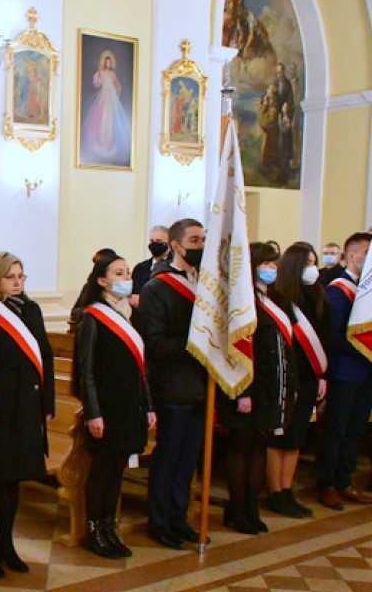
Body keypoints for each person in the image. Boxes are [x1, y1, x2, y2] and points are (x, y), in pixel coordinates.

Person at [0, 252, 54, 577]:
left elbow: (45, 357)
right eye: (10, 276)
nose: (17, 282)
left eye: (21, 276)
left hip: (24, 410)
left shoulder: (31, 310)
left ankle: (5, 543)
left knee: (11, 483)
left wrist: (47, 406)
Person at [74, 253, 155, 558]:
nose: (125, 278)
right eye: (118, 273)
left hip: (130, 406)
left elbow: (141, 367)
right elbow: (87, 371)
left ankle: (110, 527)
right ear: (102, 280)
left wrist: (148, 405)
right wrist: (94, 413)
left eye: (127, 273)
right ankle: (94, 530)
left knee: (118, 469)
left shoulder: (131, 315)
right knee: (102, 470)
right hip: (106, 408)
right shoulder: (92, 316)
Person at [134, 218, 208, 549]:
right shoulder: (157, 288)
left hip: (201, 388)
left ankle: (180, 518)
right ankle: (160, 521)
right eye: (194, 240)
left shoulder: (206, 287)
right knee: (168, 458)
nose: (201, 246)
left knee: (188, 459)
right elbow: (155, 344)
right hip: (172, 388)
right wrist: (196, 342)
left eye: (204, 240)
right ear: (176, 246)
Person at [220, 243, 296, 534]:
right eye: (265, 263)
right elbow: (237, 348)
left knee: (259, 448)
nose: (271, 269)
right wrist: (243, 392)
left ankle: (251, 507)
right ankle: (237, 508)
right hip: (245, 388)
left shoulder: (273, 298)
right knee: (241, 448)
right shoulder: (241, 301)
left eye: (274, 264)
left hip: (268, 388)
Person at [268, 243, 328, 518]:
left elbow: (323, 337)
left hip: (309, 376)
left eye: (314, 262)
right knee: (281, 437)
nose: (312, 269)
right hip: (286, 377)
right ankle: (275, 492)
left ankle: (287, 489)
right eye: (307, 263)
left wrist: (322, 375)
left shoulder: (316, 295)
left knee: (297, 437)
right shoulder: (280, 297)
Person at [317, 231, 372, 509]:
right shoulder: (339, 289)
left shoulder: (367, 289)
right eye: (367, 254)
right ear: (352, 256)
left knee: (355, 429)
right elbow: (333, 335)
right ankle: (327, 484)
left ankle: (344, 481)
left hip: (365, 372)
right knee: (337, 429)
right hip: (345, 370)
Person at [82, 50, 132, 164]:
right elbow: (97, 83)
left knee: (110, 121)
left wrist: (115, 87)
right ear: (104, 63)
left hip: (111, 98)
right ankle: (101, 141)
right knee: (102, 120)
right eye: (107, 62)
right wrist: (99, 75)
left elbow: (118, 86)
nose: (108, 64)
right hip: (103, 97)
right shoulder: (102, 73)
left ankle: (108, 142)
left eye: (110, 63)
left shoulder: (112, 74)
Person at [130, 225, 170, 307]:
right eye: (152, 241)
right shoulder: (140, 269)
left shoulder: (174, 268)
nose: (154, 244)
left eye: (158, 241)